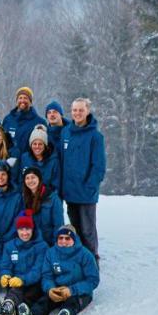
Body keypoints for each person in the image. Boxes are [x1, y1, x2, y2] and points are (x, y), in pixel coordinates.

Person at [18, 224, 99, 315]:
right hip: (57, 289)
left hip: (78, 292)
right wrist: (50, 288)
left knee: (72, 304)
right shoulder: (51, 253)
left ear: (74, 239)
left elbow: (93, 280)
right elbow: (47, 275)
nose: (63, 241)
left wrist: (71, 290)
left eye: (67, 238)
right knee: (44, 301)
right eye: (60, 238)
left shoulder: (85, 255)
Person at [59, 97, 105, 260]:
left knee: (88, 230)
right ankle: (79, 260)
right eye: (74, 110)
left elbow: (99, 166)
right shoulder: (65, 132)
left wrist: (90, 186)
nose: (77, 113)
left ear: (87, 111)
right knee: (76, 229)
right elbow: (62, 161)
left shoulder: (95, 136)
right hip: (70, 192)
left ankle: (92, 260)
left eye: (81, 110)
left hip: (86, 192)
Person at [0, 212, 47, 315]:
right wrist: (5, 275)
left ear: (32, 229)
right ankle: (8, 306)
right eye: (21, 229)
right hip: (15, 283)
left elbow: (37, 270)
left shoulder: (41, 246)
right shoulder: (10, 246)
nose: (24, 233)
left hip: (34, 283)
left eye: (27, 229)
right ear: (17, 230)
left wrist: (22, 279)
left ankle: (11, 314)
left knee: (30, 295)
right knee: (15, 291)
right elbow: (5, 265)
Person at [21, 166, 65, 245]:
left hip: (49, 243)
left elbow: (58, 225)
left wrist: (55, 245)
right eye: (27, 178)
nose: (30, 181)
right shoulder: (24, 198)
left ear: (39, 179)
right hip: (32, 243)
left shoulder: (52, 198)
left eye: (33, 177)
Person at [2, 86, 45, 151]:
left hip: (28, 160)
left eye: (25, 98)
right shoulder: (8, 119)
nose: (22, 100)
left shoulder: (39, 122)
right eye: (20, 98)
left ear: (30, 102)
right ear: (16, 101)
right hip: (9, 160)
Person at [20, 125, 61, 192]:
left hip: (47, 197)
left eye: (40, 144)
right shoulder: (25, 158)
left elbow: (56, 186)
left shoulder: (54, 161)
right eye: (34, 144)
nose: (37, 147)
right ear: (30, 145)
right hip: (28, 197)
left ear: (45, 146)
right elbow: (21, 180)